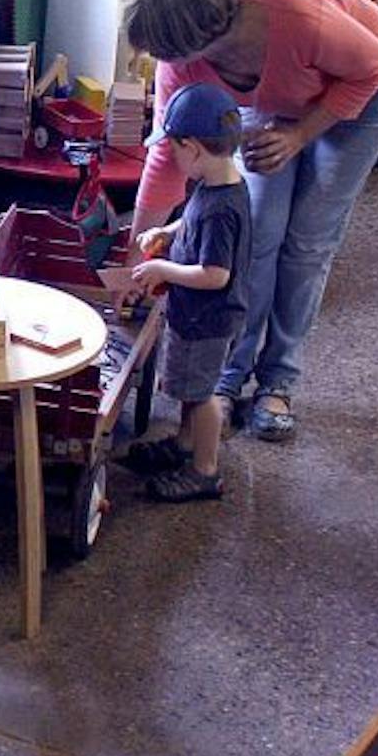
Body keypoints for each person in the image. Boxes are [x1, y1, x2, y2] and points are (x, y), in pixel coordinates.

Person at [124, 0, 378, 443]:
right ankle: (230, 376)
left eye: (165, 53)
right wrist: (133, 254)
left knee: (307, 242)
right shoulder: (183, 65)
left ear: (199, 39)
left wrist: (299, 136)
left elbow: (372, 66)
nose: (163, 64)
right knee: (253, 233)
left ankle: (278, 382)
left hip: (361, 88)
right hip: (273, 97)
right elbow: (169, 156)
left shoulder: (298, 21)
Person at [127, 84, 252, 503]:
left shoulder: (221, 209)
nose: (171, 157)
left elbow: (215, 274)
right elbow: (191, 221)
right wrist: (167, 230)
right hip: (196, 315)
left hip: (208, 319)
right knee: (189, 388)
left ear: (193, 148)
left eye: (173, 148)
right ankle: (184, 445)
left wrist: (164, 268)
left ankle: (205, 470)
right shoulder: (217, 184)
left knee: (202, 396)